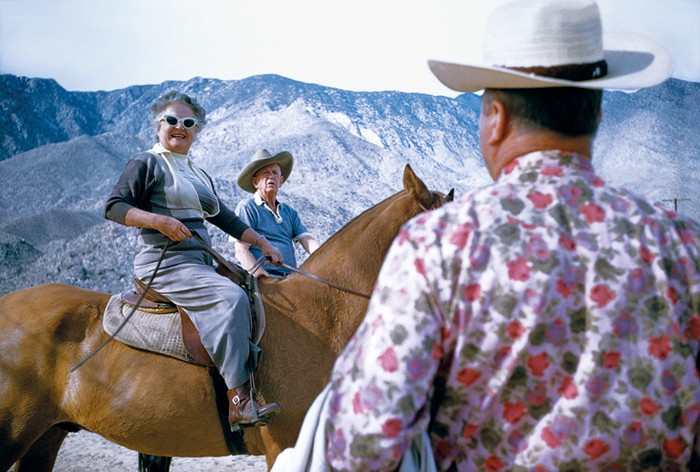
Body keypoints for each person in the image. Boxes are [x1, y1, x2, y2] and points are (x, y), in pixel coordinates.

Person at [324, 1, 700, 470]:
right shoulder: (682, 247)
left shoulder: (436, 247)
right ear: (597, 115)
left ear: (496, 119)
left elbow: (362, 443)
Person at [104, 91, 282, 432]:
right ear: (158, 125)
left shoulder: (199, 173)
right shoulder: (147, 162)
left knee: (257, 292)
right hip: (164, 261)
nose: (179, 127)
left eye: (188, 122)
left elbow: (225, 218)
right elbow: (114, 206)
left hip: (199, 261)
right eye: (171, 120)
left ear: (196, 129)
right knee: (229, 299)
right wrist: (160, 222)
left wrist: (262, 243)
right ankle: (239, 402)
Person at [232, 149, 320, 278]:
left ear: (281, 181)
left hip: (291, 279)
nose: (271, 176)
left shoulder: (289, 212)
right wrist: (263, 278)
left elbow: (307, 240)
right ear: (255, 182)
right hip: (264, 278)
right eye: (265, 173)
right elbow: (241, 250)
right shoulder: (247, 207)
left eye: (275, 173)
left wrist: (326, 256)